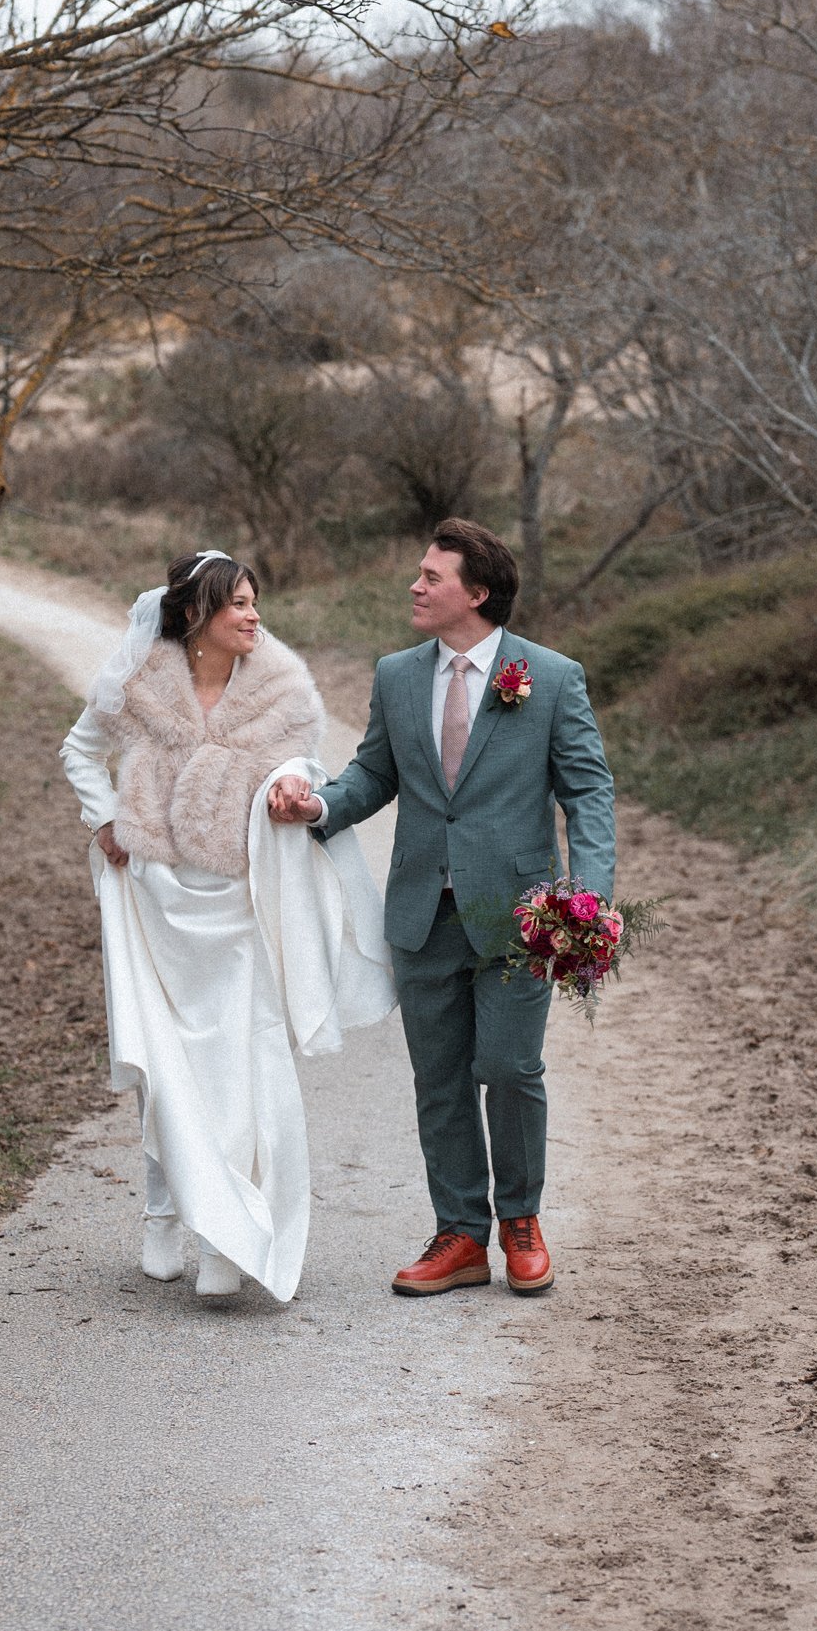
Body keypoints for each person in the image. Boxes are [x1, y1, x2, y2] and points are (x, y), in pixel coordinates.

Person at [268, 518, 616, 1298]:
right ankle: (459, 1236)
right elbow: (371, 776)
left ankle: (519, 1220)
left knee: (508, 1066)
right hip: (423, 911)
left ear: (477, 593)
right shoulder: (396, 674)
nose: (415, 587)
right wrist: (316, 808)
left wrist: (585, 898)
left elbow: (588, 790)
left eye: (431, 576)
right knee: (440, 1079)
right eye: (419, 574)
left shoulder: (551, 677)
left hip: (522, 918)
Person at [60, 550, 391, 1302]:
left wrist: (289, 786)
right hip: (154, 903)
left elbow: (299, 760)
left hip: (238, 908)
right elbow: (79, 751)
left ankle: (230, 1235)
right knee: (166, 1065)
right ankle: (163, 1214)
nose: (252, 616)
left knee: (240, 1070)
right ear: (193, 616)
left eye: (254, 603)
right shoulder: (138, 682)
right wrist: (106, 817)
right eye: (237, 603)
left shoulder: (279, 689)